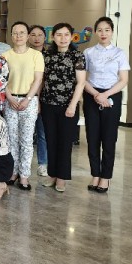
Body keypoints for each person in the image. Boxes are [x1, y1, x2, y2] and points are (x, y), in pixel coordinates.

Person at [83, 17, 130, 193]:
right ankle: (95, 174)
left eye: (107, 30)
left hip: (112, 96)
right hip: (91, 95)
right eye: (100, 30)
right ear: (95, 32)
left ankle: (105, 177)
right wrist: (96, 94)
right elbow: (82, 79)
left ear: (112, 32)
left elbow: (123, 80)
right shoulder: (88, 53)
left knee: (109, 139)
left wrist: (106, 95)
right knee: (92, 138)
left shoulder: (119, 53)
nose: (103, 33)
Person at [41, 23, 86, 192]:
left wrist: (73, 105)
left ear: (72, 37)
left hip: (68, 106)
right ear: (53, 37)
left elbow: (81, 83)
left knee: (65, 142)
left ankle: (62, 178)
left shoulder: (77, 55)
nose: (63, 38)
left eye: (66, 34)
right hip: (48, 104)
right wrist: (38, 101)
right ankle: (52, 174)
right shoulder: (46, 55)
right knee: (51, 140)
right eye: (59, 35)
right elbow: (42, 80)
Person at [1, 21, 44, 190]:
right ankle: (13, 172)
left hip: (29, 101)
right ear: (11, 36)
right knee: (11, 139)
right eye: (15, 33)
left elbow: (38, 79)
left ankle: (24, 175)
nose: (18, 36)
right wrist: (9, 97)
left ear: (27, 36)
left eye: (22, 33)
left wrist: (28, 98)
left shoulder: (36, 55)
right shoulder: (5, 56)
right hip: (10, 100)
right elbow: (1, 80)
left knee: (26, 140)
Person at [28, 24, 49, 177]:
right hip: (25, 98)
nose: (36, 38)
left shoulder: (49, 56)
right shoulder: (25, 54)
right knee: (25, 135)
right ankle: (23, 165)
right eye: (33, 35)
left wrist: (39, 100)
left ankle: (43, 164)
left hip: (44, 99)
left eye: (40, 35)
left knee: (42, 134)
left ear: (45, 37)